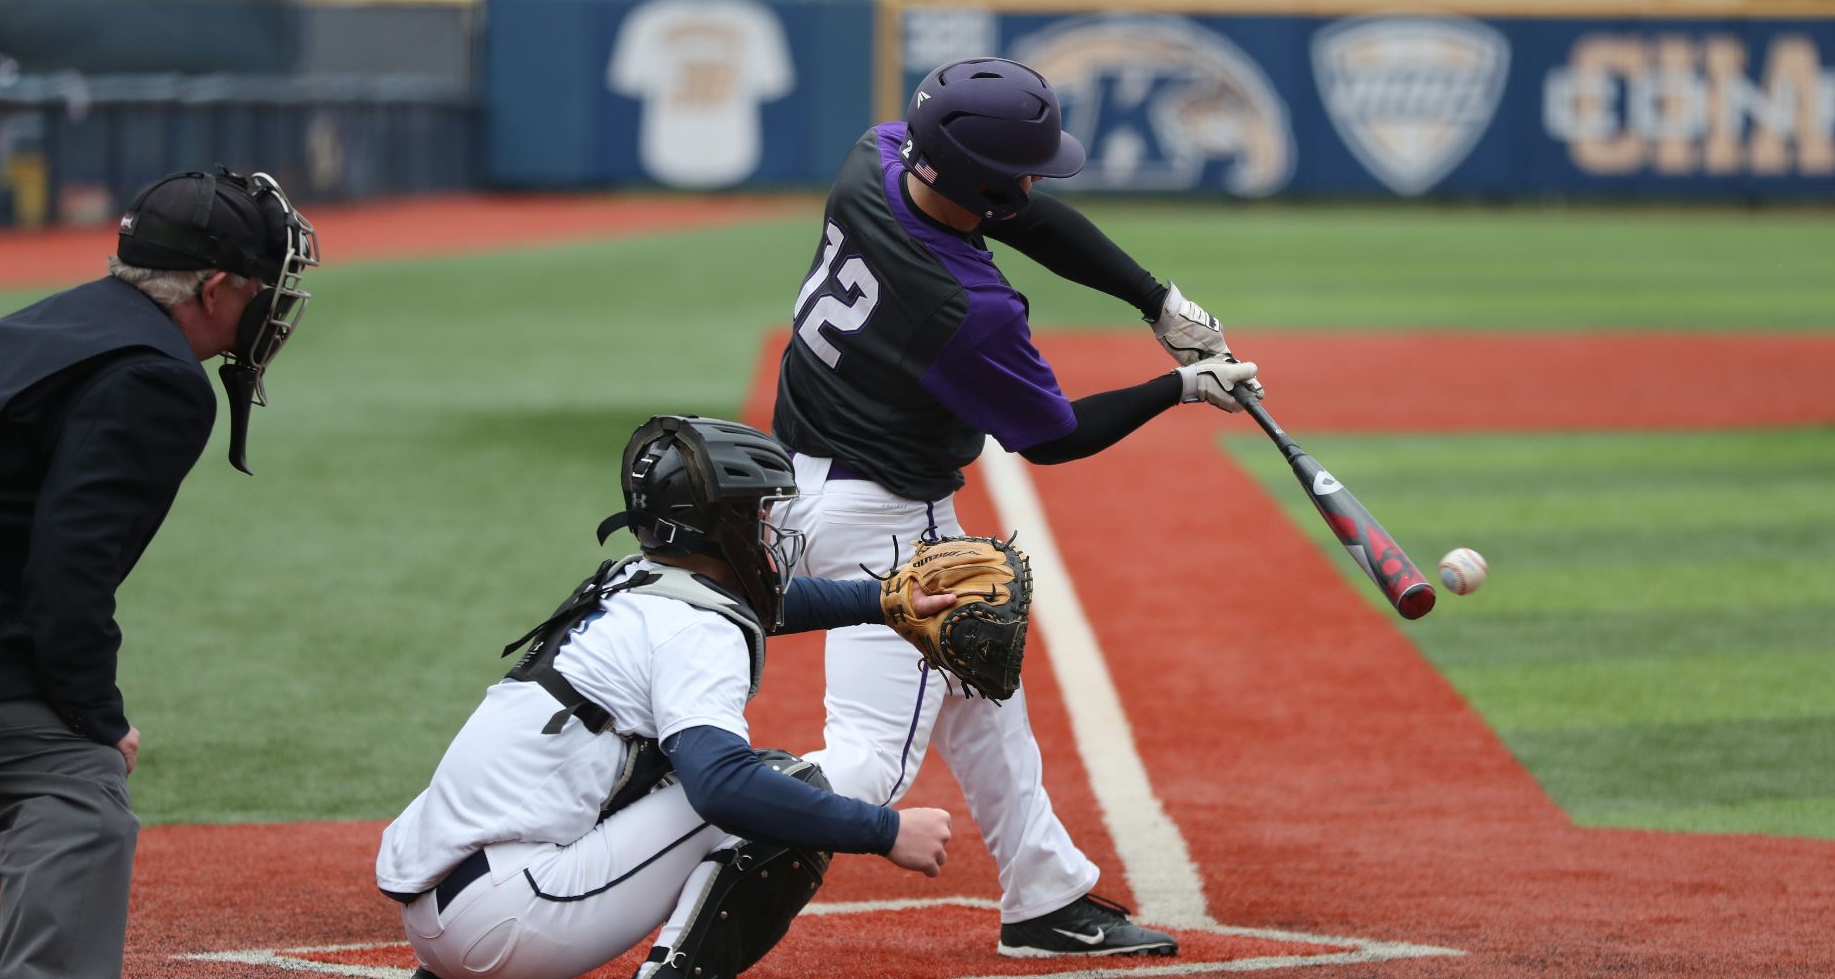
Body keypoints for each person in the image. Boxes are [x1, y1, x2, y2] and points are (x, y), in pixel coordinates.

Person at [771, 57, 1258, 958]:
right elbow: (1053, 437)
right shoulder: (968, 309)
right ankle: (683, 812)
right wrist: (1183, 386)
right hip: (886, 519)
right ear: (981, 182)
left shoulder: (873, 160)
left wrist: (1154, 300)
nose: (1038, 180)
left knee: (980, 684)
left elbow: (1017, 211)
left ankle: (1044, 894)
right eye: (1026, 167)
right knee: (870, 764)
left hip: (797, 480)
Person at [376, 416, 959, 979]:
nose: (770, 530)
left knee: (693, 775)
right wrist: (886, 832)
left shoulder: (633, 580)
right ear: (721, 527)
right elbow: (724, 788)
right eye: (758, 514)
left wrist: (885, 600)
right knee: (773, 787)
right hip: (509, 922)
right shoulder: (695, 632)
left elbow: (767, 603)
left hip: (445, 910)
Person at [0, 167, 319, 978]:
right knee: (78, 794)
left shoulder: (50, 322)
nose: (272, 302)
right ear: (213, 289)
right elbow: (70, 572)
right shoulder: (156, 376)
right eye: (259, 285)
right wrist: (96, 719)